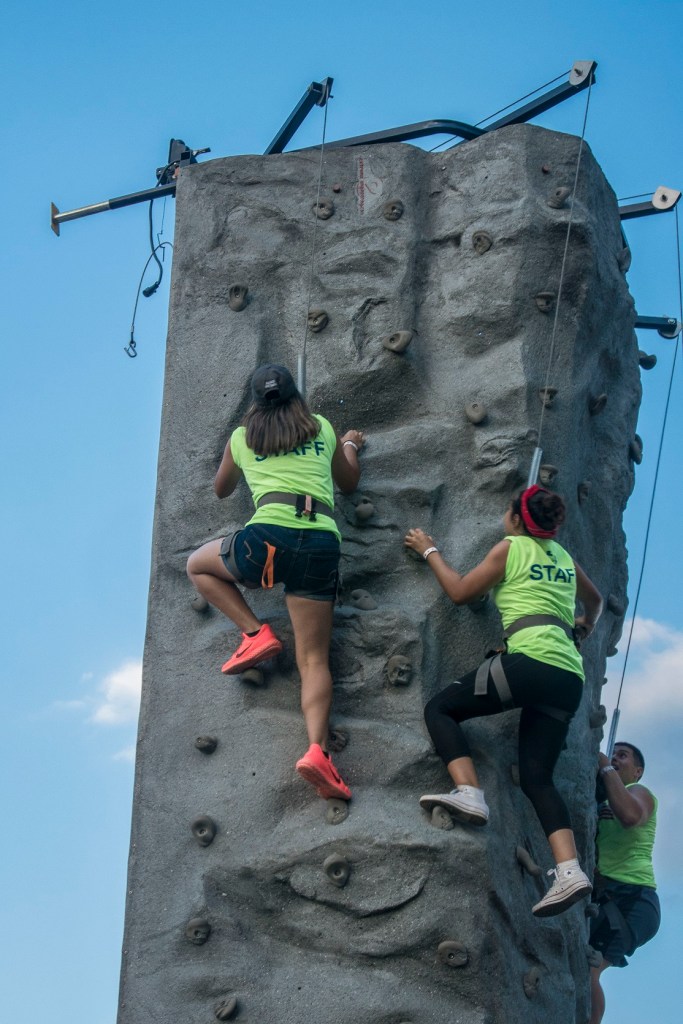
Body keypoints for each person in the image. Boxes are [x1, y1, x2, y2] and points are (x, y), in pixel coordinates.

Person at [404, 484, 604, 917]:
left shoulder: (510, 547)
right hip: (569, 676)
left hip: (530, 661)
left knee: (440, 708)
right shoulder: (565, 559)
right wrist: (582, 627)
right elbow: (596, 600)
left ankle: (469, 792)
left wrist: (429, 550)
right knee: (537, 777)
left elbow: (461, 593)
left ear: (516, 518)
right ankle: (569, 870)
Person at [187, 364, 364, 802]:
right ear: (294, 394)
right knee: (313, 659)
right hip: (321, 541)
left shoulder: (243, 437)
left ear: (255, 401)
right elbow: (349, 480)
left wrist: (242, 453)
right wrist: (348, 446)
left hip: (266, 539)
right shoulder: (320, 427)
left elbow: (221, 490)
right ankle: (317, 752)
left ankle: (254, 633)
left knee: (197, 565)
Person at [588, 742, 660, 1024]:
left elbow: (631, 817)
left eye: (623, 755)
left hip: (633, 898)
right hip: (610, 896)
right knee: (582, 963)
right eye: (613, 752)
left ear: (638, 771)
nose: (616, 758)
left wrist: (605, 765)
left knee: (589, 968)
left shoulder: (639, 792)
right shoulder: (604, 803)